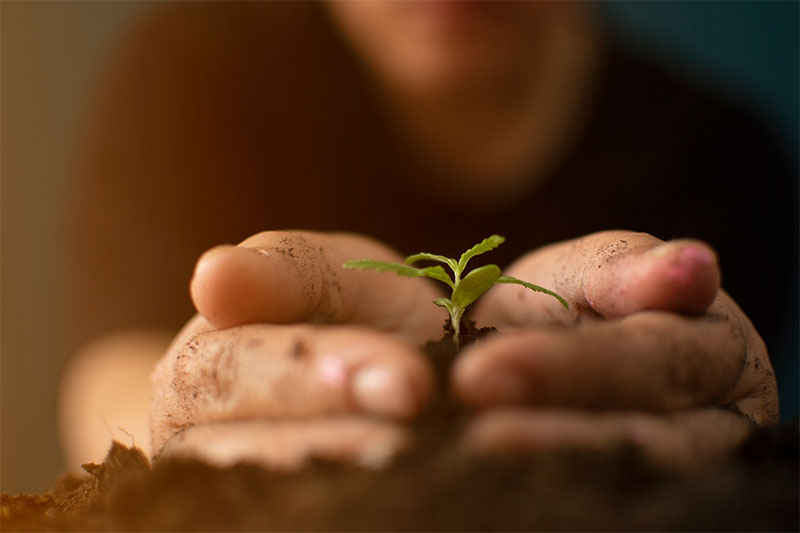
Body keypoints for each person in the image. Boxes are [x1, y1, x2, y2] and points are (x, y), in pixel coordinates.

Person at [59, 2, 795, 472]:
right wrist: (178, 419)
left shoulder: (720, 154)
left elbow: (720, 426)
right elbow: (114, 367)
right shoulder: (194, 73)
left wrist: (735, 422)